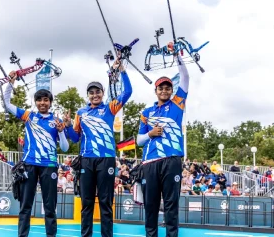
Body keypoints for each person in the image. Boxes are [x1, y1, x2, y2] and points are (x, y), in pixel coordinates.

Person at [64, 59, 132, 237]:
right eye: (91, 92)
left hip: (106, 159)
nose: (95, 95)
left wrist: (122, 69)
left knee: (105, 203)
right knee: (86, 203)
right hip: (86, 160)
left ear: (102, 93)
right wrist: (67, 126)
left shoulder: (110, 107)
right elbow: (74, 137)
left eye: (98, 92)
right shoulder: (81, 113)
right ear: (88, 95)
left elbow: (128, 91)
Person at [5, 72, 69, 237]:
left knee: (49, 206)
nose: (42, 103)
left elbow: (65, 147)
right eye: (39, 100)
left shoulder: (56, 120)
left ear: (50, 102)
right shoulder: (28, 116)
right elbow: (7, 103)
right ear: (36, 102)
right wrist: (10, 83)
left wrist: (61, 132)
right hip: (29, 164)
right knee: (26, 205)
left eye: (45, 100)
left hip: (49, 166)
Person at [136, 42, 189, 237]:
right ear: (156, 91)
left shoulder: (177, 104)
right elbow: (139, 141)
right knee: (150, 204)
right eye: (161, 88)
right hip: (150, 162)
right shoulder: (146, 112)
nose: (165, 91)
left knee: (170, 203)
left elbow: (185, 77)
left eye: (168, 88)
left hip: (172, 160)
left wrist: (177, 55)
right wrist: (150, 134)